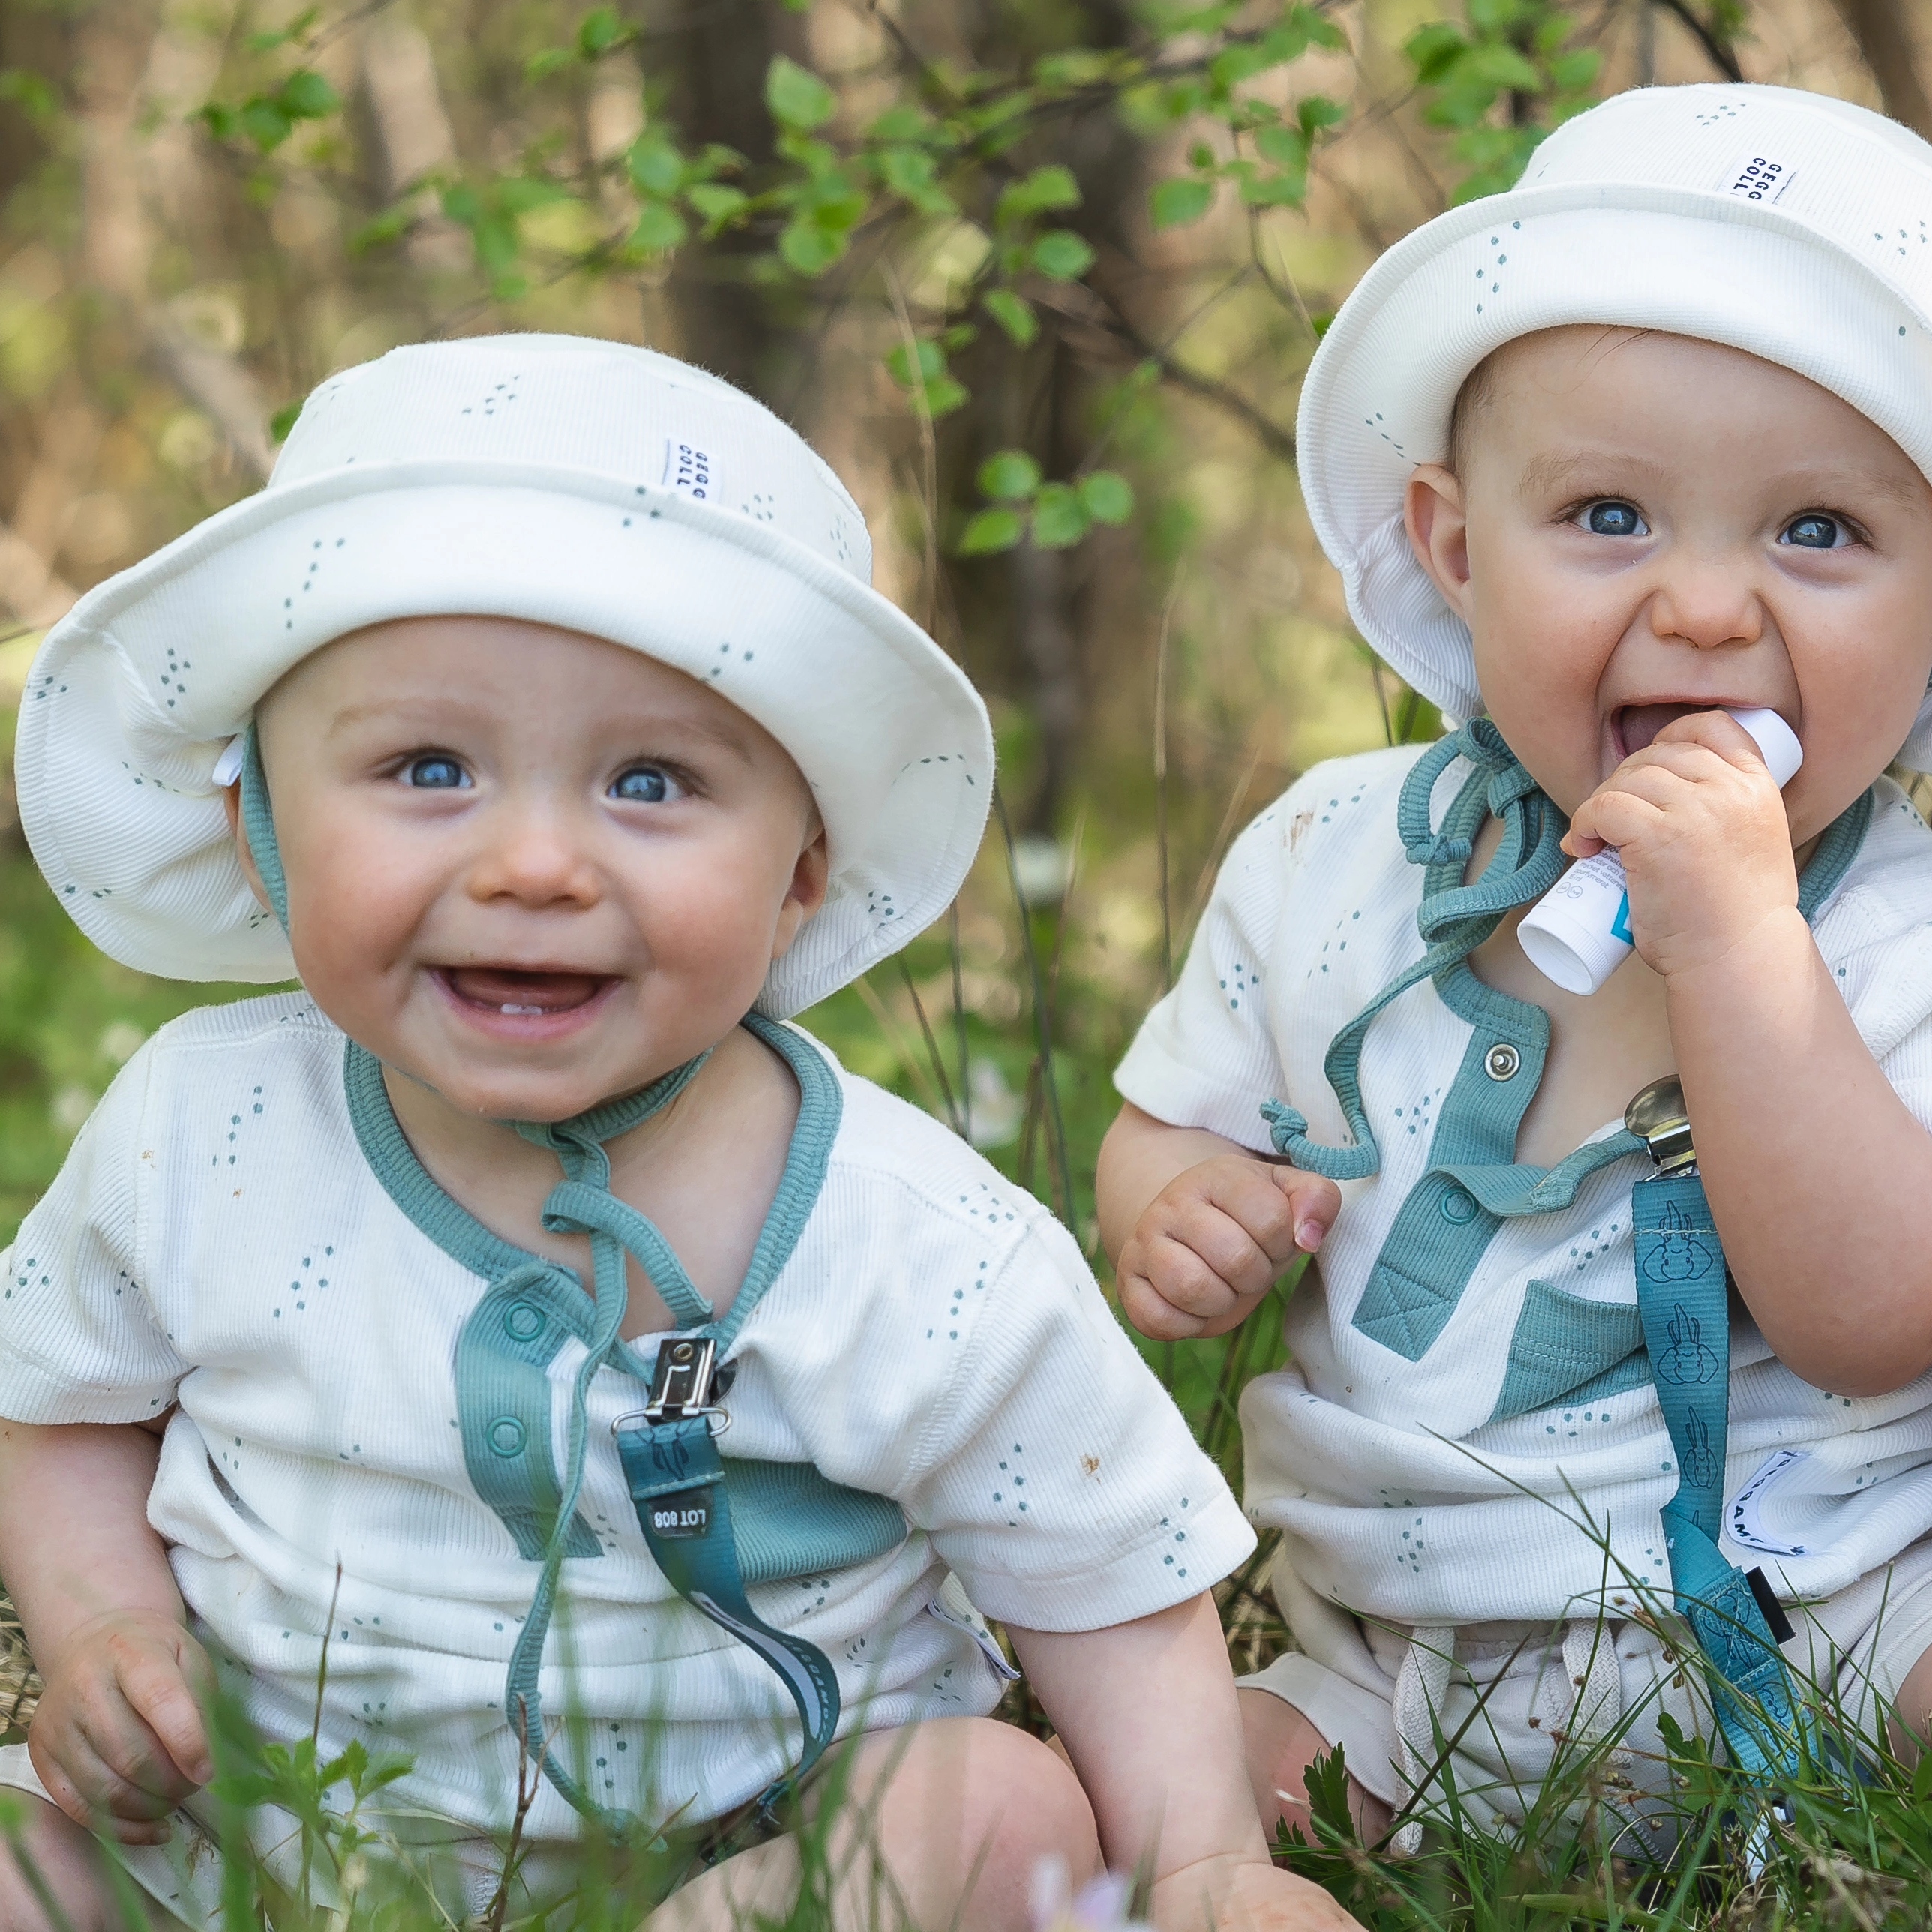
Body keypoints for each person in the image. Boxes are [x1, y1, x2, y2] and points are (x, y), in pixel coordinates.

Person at [0, 336, 1355, 1932]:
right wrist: (99, 1631)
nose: (534, 863)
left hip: (752, 1844)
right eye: (426, 767)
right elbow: (56, 1402)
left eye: (649, 780)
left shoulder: (914, 1238)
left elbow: (1106, 1573)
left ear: (798, 873)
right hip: (270, 1825)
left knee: (994, 1811)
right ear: (261, 829)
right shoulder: (197, 1128)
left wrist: (1203, 1864)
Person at [1099, 82, 1932, 1857]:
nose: (1706, 610)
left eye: (1819, 533)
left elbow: (1874, 1321)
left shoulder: (1906, 929)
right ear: (1456, 550)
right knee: (1135, 1802)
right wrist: (1180, 1201)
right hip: (1391, 1654)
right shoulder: (1332, 859)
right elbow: (1174, 1112)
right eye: (1611, 517)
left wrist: (1736, 945)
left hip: (1849, 1622)